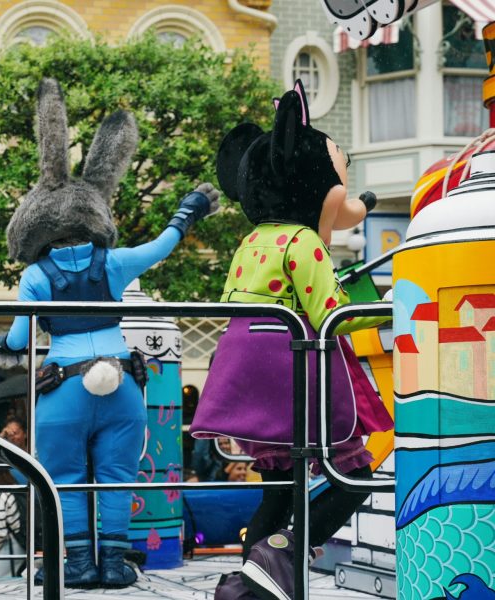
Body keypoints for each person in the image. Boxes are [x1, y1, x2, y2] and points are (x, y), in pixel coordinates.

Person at [0, 78, 219, 588]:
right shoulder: (114, 262)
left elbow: (18, 339)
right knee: (118, 476)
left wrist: (9, 345)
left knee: (67, 478)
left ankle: (78, 564)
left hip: (63, 383)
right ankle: (115, 564)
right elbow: (161, 246)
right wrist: (187, 212)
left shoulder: (35, 277)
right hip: (122, 383)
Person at [192, 80, 393, 600]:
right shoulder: (303, 242)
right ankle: (285, 548)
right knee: (355, 474)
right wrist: (381, 309)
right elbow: (332, 316)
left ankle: (247, 584)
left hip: (247, 377)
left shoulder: (249, 242)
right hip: (293, 370)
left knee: (278, 488)